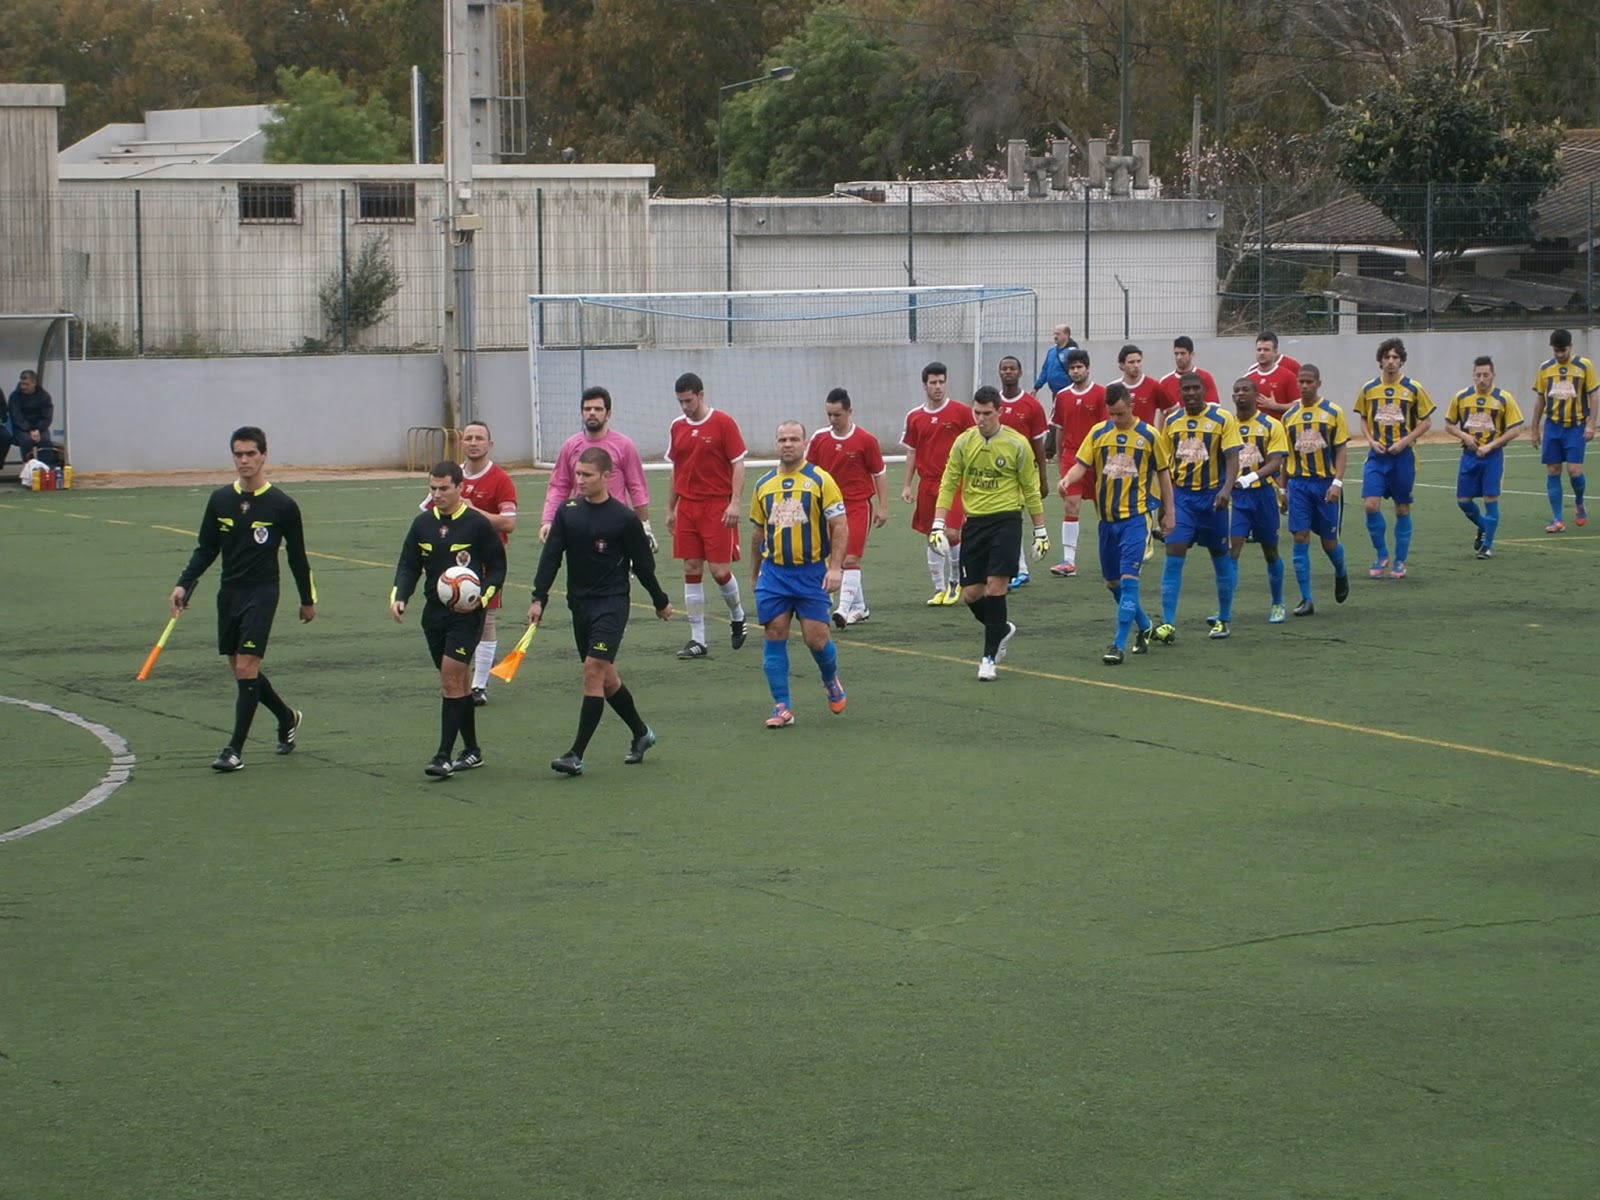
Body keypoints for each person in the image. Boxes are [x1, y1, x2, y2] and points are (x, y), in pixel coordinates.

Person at [169, 426, 316, 773]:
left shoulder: (282, 505)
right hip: (229, 592)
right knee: (240, 670)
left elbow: (298, 557)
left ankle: (233, 750)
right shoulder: (220, 500)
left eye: (251, 453)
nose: (244, 460)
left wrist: (307, 599)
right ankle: (286, 717)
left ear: (264, 455)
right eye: (238, 454)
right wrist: (183, 584)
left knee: (247, 666)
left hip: (262, 592)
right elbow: (206, 548)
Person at [529, 447, 673, 774]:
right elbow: (551, 557)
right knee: (607, 681)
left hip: (612, 604)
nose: (580, 480)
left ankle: (575, 754)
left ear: (607, 476)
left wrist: (660, 600)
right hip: (579, 605)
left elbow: (644, 566)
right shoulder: (567, 512)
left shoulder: (624, 519)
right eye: (578, 474)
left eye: (587, 475)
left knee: (593, 669)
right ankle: (642, 733)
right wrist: (539, 598)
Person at [390, 461, 508, 779]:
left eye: (444, 488)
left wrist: (481, 598)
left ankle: (442, 756)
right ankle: (472, 750)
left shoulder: (477, 524)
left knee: (452, 678)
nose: (437, 494)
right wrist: (400, 596)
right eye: (433, 488)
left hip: (466, 617)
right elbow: (408, 565)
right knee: (456, 683)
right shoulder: (422, 525)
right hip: (433, 615)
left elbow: (497, 568)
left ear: (459, 488)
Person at [932, 387, 1047, 680]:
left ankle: (988, 658)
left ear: (999, 412)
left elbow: (1031, 489)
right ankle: (1001, 629)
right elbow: (949, 482)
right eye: (977, 413)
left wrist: (1040, 530)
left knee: (996, 587)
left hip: (1006, 520)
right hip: (975, 524)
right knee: (971, 595)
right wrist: (938, 524)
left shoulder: (1017, 444)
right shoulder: (964, 442)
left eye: (987, 413)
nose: (981, 419)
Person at [1060, 383, 1172, 665]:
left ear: (1131, 406)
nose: (1116, 419)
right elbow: (1081, 464)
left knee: (1129, 580)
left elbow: (1163, 473)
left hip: (1136, 520)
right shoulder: (1099, 433)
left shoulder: (1149, 435)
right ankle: (1145, 625)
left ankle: (1118, 644)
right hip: (1106, 522)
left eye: (1120, 413)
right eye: (1112, 414)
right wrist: (1068, 479)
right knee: (1112, 583)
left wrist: (1169, 512)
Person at [750, 421, 849, 726]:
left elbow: (840, 526)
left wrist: (835, 567)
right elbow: (757, 533)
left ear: (805, 443)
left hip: (811, 573)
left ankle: (830, 679)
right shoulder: (763, 485)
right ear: (776, 444)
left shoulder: (820, 480)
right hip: (775, 573)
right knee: (774, 632)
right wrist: (754, 575)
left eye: (794, 439)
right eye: (782, 439)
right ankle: (782, 706)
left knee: (816, 639)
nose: (788, 444)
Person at [1150, 372, 1241, 643]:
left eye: (1195, 388)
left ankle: (1224, 618)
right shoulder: (1172, 421)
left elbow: (1232, 458)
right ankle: (1168, 622)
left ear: (1204, 390)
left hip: (1213, 498)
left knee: (1220, 556)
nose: (1190, 393)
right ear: (1179, 392)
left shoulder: (1222, 419)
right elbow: (1164, 465)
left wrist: (1226, 490)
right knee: (1174, 552)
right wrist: (1165, 503)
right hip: (1182, 498)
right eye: (1185, 389)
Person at [665, 372, 748, 658]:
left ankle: (737, 615)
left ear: (701, 395)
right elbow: (677, 469)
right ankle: (697, 639)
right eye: (680, 401)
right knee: (691, 568)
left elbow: (738, 464)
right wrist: (671, 508)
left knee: (719, 571)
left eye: (688, 400)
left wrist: (734, 503)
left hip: (716, 506)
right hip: (688, 507)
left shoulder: (723, 423)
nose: (685, 406)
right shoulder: (677, 426)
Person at [805, 388, 888, 626]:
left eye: (837, 415)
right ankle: (859, 607)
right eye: (829, 414)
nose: (832, 420)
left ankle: (842, 609)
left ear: (849, 411)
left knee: (850, 558)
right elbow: (809, 472)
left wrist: (883, 507)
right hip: (827, 508)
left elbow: (879, 473)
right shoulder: (820, 438)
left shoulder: (865, 440)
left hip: (857, 506)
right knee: (836, 558)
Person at [1353, 337, 1435, 579]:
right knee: (1370, 504)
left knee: (1402, 508)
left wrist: (1405, 441)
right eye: (1386, 357)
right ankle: (1381, 554)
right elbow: (1363, 418)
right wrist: (1371, 440)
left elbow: (1426, 421)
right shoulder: (1369, 388)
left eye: (1395, 357)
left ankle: (1400, 561)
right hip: (1377, 457)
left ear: (1402, 361)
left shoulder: (1413, 388)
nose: (1391, 361)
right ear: (1380, 360)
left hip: (1403, 457)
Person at [453, 421, 518, 707]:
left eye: (479, 438)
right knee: (455, 618)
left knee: (485, 618)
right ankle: (456, 678)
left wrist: (474, 512)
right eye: (468, 438)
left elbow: (509, 523)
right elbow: (429, 510)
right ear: (461, 443)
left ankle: (479, 685)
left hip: (488, 560)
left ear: (489, 444)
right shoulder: (452, 476)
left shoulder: (500, 479)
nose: (473, 442)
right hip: (454, 561)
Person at [901, 361, 975, 606]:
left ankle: (955, 582)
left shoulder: (961, 412)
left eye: (941, 382)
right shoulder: (915, 416)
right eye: (933, 382)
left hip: (954, 483)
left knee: (951, 533)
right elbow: (912, 451)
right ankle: (939, 588)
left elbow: (974, 443)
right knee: (931, 536)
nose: (938, 386)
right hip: (927, 484)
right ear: (924, 386)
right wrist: (907, 485)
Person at [539, 385, 652, 544]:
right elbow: (559, 486)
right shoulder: (570, 446)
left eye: (598, 409)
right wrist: (548, 520)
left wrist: (645, 525)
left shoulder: (624, 445)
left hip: (616, 524)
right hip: (580, 523)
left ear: (608, 414)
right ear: (582, 413)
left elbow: (637, 486)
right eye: (587, 409)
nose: (592, 413)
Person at [1281, 364, 1351, 616]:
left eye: (1309, 382)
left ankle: (1341, 572)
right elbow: (1285, 457)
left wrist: (1337, 483)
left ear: (1318, 384)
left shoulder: (1333, 412)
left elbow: (1341, 450)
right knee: (1300, 537)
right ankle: (1306, 599)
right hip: (1298, 484)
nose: (1304, 386)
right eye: (1301, 381)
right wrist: (1282, 490)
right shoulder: (1288, 417)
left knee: (1329, 543)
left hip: (1325, 485)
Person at [1223, 377, 1290, 623]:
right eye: (1236, 390)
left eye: (1245, 390)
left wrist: (1250, 477)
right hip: (1237, 499)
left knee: (1270, 551)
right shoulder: (1226, 425)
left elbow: (1276, 462)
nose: (1240, 394)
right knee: (1232, 551)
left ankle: (1278, 603)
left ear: (1256, 395)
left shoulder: (1271, 425)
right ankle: (1225, 612)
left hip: (1264, 496)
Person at [1445, 356, 1524, 560]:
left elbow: (1516, 429)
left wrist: (1491, 445)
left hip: (1492, 458)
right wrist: (1464, 436)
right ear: (1473, 375)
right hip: (1469, 457)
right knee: (1463, 501)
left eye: (1486, 375)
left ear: (1493, 375)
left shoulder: (1504, 398)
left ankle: (1487, 546)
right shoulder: (1461, 397)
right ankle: (1483, 527)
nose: (1482, 379)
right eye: (1478, 375)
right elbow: (1449, 425)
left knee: (1490, 499)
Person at [1530, 328, 1599, 533]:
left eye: (1563, 350)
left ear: (1571, 347)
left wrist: (1591, 424)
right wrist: (1534, 429)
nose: (1560, 354)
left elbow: (1593, 396)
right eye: (1556, 351)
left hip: (1576, 426)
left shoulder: (1584, 366)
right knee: (1553, 470)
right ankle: (1557, 519)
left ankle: (1579, 501)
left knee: (1574, 471)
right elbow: (1540, 399)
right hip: (1553, 426)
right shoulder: (1545, 368)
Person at [1045, 347, 1106, 577]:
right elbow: (1059, 429)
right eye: (1072, 368)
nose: (1076, 371)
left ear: (1088, 368)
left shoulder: (1101, 393)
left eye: (1079, 367)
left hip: (1097, 458)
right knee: (1071, 505)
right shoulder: (1062, 396)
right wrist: (1062, 458)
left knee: (1106, 509)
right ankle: (1068, 562)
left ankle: (1113, 554)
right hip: (1072, 457)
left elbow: (1105, 430)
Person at [996, 354, 1050, 587]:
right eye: (1004, 368)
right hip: (999, 474)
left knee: (1012, 517)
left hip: (1024, 473)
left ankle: (1020, 569)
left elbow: (1039, 446)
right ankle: (1017, 568)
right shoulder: (992, 404)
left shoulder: (1032, 406)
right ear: (999, 373)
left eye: (1012, 368)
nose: (1008, 372)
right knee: (1005, 518)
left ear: (1020, 373)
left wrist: (1043, 479)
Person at [1157, 336, 1220, 414]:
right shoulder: (1164, 381)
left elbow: (1213, 408)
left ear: (1192, 354)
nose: (1179, 357)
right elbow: (1162, 413)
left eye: (1183, 353)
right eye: (1176, 354)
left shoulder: (1205, 377)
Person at [1245, 331, 1301, 418]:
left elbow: (1299, 406)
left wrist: (1276, 406)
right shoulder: (1248, 377)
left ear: (1275, 352)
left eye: (1266, 350)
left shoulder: (1288, 376)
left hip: (1281, 425)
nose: (1262, 353)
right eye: (1259, 350)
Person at [8, 370, 56, 467]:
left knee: (45, 441)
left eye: (26, 384)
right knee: (26, 440)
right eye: (22, 384)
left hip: (40, 427)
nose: (23, 387)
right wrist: (30, 429)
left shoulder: (44, 396)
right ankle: (29, 468)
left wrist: (37, 428)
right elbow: (17, 417)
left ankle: (46, 468)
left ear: (34, 383)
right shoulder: (14, 397)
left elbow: (47, 417)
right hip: (21, 428)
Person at [1114, 343, 1168, 426]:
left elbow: (1172, 409)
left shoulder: (1153, 385)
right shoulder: (1114, 388)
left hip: (1145, 434)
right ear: (1122, 365)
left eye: (1138, 361)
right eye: (1131, 362)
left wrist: (1161, 431)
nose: (1136, 365)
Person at [1033, 323, 1079, 400]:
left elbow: (1078, 371)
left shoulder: (1072, 352)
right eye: (1054, 334)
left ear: (1066, 335)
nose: (1055, 336)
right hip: (1055, 393)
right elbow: (1045, 370)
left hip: (1069, 392)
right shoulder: (1052, 351)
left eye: (1058, 334)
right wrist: (1036, 387)